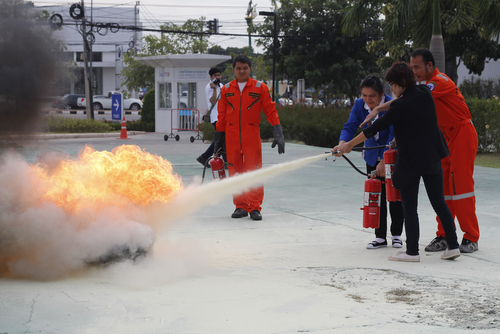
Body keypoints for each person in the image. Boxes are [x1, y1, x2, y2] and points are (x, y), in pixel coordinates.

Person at [334, 62, 460, 262]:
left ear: (401, 83)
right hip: (432, 156)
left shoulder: (400, 106)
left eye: (392, 84)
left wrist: (349, 145)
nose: (391, 88)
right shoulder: (423, 92)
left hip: (411, 161)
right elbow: (397, 102)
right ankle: (453, 246)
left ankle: (411, 252)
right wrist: (377, 110)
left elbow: (372, 130)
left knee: (409, 207)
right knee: (439, 203)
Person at [410, 49, 479, 254]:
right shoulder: (425, 88)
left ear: (429, 66)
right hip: (444, 137)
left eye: (417, 67)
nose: (414, 71)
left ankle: (471, 237)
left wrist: (382, 108)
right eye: (412, 67)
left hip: (462, 132)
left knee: (461, 187)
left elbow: (413, 100)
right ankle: (445, 235)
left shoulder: (439, 81)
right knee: (443, 189)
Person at [213, 55, 285, 221]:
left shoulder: (260, 87)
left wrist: (278, 133)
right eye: (238, 68)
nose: (242, 71)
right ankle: (240, 206)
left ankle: (254, 207)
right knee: (235, 172)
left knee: (253, 172)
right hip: (231, 137)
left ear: (250, 69)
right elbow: (221, 115)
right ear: (233, 70)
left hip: (251, 135)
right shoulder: (226, 89)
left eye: (245, 68)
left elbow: (270, 110)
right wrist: (218, 140)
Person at [337, 75, 404, 249]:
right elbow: (350, 126)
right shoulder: (359, 105)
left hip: (391, 156)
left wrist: (384, 160)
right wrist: (343, 142)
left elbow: (392, 133)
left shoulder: (392, 104)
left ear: (382, 94)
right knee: (376, 193)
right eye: (364, 95)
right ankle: (379, 236)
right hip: (371, 157)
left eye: (372, 96)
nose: (368, 100)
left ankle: (396, 234)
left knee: (394, 195)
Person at [196, 67, 223, 167]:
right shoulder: (209, 87)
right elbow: (212, 101)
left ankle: (205, 157)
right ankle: (222, 159)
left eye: (219, 75)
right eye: (215, 75)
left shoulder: (221, 85)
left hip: (222, 115)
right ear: (211, 77)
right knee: (221, 138)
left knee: (221, 138)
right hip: (215, 116)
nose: (217, 77)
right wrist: (215, 89)